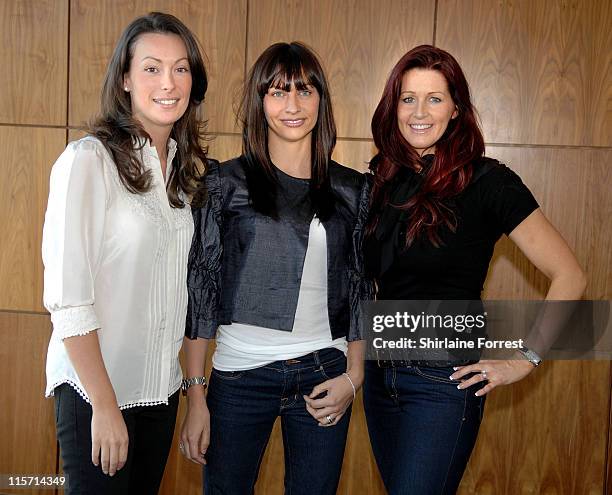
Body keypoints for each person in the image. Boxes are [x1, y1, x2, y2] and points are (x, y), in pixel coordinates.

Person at [362, 45, 586, 494]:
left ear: (456, 108)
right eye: (408, 98)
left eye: (434, 98)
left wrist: (524, 361)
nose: (419, 112)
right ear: (393, 107)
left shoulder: (487, 181)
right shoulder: (384, 178)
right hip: (379, 376)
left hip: (441, 382)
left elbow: (571, 276)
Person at [179, 42, 373, 495]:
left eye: (305, 91)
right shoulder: (225, 183)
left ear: (321, 100)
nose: (292, 105)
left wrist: (354, 375)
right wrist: (195, 395)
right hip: (240, 375)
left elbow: (361, 287)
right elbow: (201, 290)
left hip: (326, 372)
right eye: (278, 91)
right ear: (259, 101)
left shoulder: (352, 189)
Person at [42, 12, 209, 494]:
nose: (169, 82)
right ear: (125, 79)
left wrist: (190, 395)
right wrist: (105, 405)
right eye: (152, 68)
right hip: (98, 395)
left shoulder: (183, 172)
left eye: (181, 68)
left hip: (160, 394)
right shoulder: (88, 161)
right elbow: (70, 302)